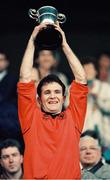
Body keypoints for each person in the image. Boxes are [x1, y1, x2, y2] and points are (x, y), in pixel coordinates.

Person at [17, 22, 88, 179]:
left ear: (63, 98)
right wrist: (32, 40)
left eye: (57, 92)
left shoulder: (73, 118)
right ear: (39, 100)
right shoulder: (31, 118)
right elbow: (25, 78)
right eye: (47, 93)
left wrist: (64, 44)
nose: (53, 96)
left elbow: (81, 79)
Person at [82, 56, 110, 147]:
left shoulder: (105, 88)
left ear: (96, 71)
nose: (87, 72)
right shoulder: (73, 88)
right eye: (84, 69)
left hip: (103, 135)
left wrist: (98, 100)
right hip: (82, 135)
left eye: (90, 69)